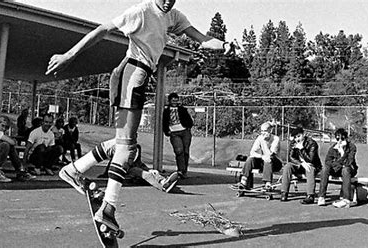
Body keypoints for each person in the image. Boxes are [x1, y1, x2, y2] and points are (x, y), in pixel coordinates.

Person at [46, 0, 232, 232]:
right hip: (130, 75)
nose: (167, 1)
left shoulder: (173, 16)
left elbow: (201, 38)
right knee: (126, 148)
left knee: (124, 144)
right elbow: (103, 29)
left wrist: (223, 45)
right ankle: (108, 208)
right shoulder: (140, 12)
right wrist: (69, 55)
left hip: (139, 78)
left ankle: (74, 170)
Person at [59, 138, 178, 193]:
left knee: (143, 171)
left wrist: (150, 170)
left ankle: (162, 181)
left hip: (132, 170)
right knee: (118, 147)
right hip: (126, 170)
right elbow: (113, 163)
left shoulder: (136, 149)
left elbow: (140, 163)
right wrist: (105, 174)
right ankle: (162, 183)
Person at [231, 122, 282, 190]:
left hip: (276, 163)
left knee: (268, 159)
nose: (263, 133)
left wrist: (265, 142)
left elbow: (271, 154)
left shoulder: (276, 139)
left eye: (265, 131)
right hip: (264, 161)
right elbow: (252, 152)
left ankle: (267, 183)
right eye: (262, 131)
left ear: (270, 131)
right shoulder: (260, 138)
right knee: (250, 159)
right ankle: (244, 181)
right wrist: (261, 156)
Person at [318, 128, 358, 208]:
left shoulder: (351, 147)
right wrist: (338, 164)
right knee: (325, 169)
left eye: (342, 138)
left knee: (345, 169)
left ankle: (346, 199)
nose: (339, 141)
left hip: (349, 169)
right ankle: (321, 196)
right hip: (337, 169)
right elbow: (327, 161)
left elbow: (348, 162)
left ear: (346, 138)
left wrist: (342, 153)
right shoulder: (333, 148)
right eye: (337, 138)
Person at [280, 127, 322, 204]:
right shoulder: (293, 143)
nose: (297, 139)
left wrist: (302, 148)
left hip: (311, 165)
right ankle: (284, 192)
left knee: (310, 169)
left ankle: (310, 195)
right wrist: (301, 163)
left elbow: (311, 160)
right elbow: (291, 157)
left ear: (304, 134)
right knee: (287, 166)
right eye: (295, 137)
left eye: (299, 136)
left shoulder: (312, 143)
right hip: (299, 165)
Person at [163, 92, 193, 179]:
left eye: (176, 100)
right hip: (174, 132)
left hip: (185, 131)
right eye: (173, 100)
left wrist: (188, 126)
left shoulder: (182, 109)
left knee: (186, 151)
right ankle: (180, 170)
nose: (175, 102)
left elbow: (189, 119)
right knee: (179, 151)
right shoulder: (166, 111)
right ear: (169, 101)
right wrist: (167, 131)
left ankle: (184, 171)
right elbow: (164, 121)